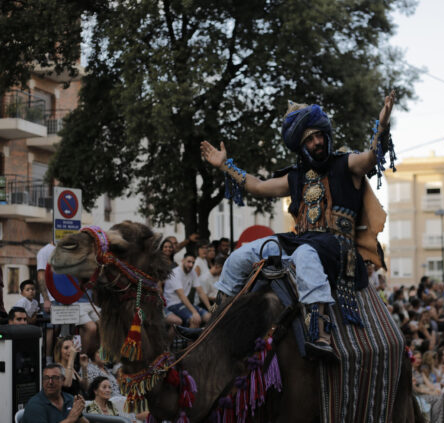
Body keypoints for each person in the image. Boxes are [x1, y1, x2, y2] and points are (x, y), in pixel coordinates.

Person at [201, 93, 396, 358]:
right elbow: (257, 186)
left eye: (318, 135)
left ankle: (320, 332)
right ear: (300, 146)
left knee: (305, 255)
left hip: (337, 247)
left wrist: (382, 124)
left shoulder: (345, 163)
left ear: (326, 134)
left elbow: (372, 157)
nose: (316, 142)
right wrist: (225, 166)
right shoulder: (295, 177)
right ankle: (215, 323)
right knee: (239, 257)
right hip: (301, 240)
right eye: (308, 139)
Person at [23, 363, 89, 423]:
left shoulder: (70, 399)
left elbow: (83, 421)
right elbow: (71, 419)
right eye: (46, 378)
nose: (50, 382)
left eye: (55, 378)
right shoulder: (35, 405)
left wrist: (79, 409)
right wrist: (70, 420)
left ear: (63, 380)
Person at [164, 252, 212, 328]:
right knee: (195, 319)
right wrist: (194, 312)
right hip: (173, 304)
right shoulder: (175, 273)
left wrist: (210, 308)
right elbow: (181, 295)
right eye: (189, 262)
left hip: (184, 303)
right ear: (183, 261)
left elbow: (200, 291)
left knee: (209, 317)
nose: (191, 265)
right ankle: (191, 340)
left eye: (193, 262)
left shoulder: (192, 272)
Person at [0, 307, 28, 373]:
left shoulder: (27, 336)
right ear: (10, 322)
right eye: (19, 319)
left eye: (25, 319)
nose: (23, 322)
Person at [37, 242, 56, 364]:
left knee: (60, 329)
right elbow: (41, 276)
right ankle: (48, 360)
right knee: (50, 329)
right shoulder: (45, 251)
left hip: (65, 298)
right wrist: (46, 299)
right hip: (50, 298)